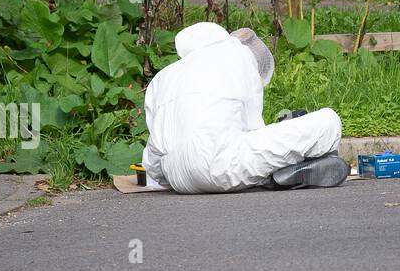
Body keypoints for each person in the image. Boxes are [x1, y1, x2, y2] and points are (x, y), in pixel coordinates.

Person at [142, 22, 347, 193]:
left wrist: (172, 178)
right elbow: (253, 129)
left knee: (231, 158)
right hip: (222, 168)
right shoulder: (236, 54)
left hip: (177, 180)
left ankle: (273, 176)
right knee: (329, 122)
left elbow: (152, 158)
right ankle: (278, 173)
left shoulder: (163, 77)